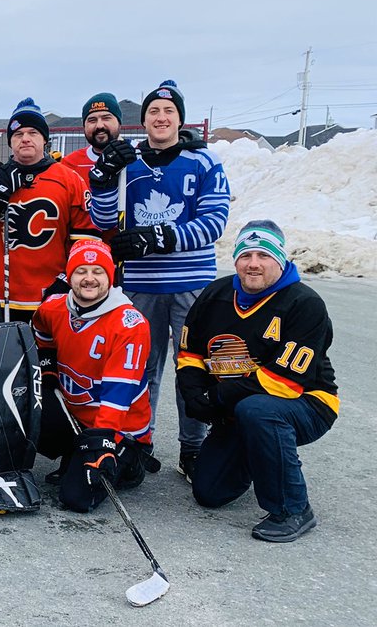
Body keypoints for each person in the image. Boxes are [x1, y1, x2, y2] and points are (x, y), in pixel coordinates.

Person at [87, 80, 231, 481]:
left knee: (193, 367)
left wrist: (163, 236)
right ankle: (138, 441)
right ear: (144, 120)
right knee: (140, 369)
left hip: (191, 285)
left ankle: (194, 447)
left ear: (180, 119)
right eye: (153, 112)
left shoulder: (203, 161)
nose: (161, 118)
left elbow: (214, 221)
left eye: (168, 112)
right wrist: (100, 181)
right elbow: (102, 221)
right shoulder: (128, 162)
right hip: (140, 287)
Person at [177, 221, 337, 543]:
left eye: (263, 255)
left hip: (306, 402)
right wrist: (195, 394)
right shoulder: (215, 294)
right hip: (241, 405)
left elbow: (284, 382)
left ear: (280, 260)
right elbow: (190, 353)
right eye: (245, 254)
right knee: (209, 492)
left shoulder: (304, 304)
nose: (253, 263)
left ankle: (293, 509)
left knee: (259, 412)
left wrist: (218, 398)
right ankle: (263, 454)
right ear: (235, 260)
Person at [32, 239, 153, 512]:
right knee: (25, 414)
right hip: (77, 415)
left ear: (109, 276)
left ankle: (132, 460)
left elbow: (119, 392)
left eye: (97, 272)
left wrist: (103, 441)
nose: (89, 279)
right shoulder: (54, 307)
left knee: (76, 499)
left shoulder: (129, 324)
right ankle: (74, 451)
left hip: (119, 425)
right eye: (81, 271)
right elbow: (40, 330)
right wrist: (49, 368)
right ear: (69, 275)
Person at [0, 97, 99, 322]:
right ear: (10, 142)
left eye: (33, 133)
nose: (25, 139)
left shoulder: (69, 179)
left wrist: (67, 280)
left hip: (53, 295)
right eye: (18, 134)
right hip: (1, 298)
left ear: (45, 139)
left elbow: (86, 240)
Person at [59, 93, 123, 177]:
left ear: (119, 123)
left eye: (106, 118)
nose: (99, 125)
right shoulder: (69, 164)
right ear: (84, 126)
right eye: (92, 120)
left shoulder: (140, 156)